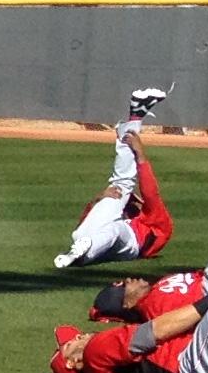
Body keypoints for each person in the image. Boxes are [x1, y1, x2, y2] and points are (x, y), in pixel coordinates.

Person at [49, 199, 208, 373]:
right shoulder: (95, 352)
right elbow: (154, 331)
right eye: (70, 344)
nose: (80, 336)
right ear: (72, 362)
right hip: (195, 367)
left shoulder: (109, 372)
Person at [54, 91, 175, 269]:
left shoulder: (156, 220)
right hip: (89, 238)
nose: (129, 204)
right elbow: (83, 227)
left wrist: (141, 156)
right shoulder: (118, 210)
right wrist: (98, 199)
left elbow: (150, 193)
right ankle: (136, 115)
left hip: (132, 245)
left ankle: (136, 115)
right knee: (116, 191)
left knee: (115, 227)